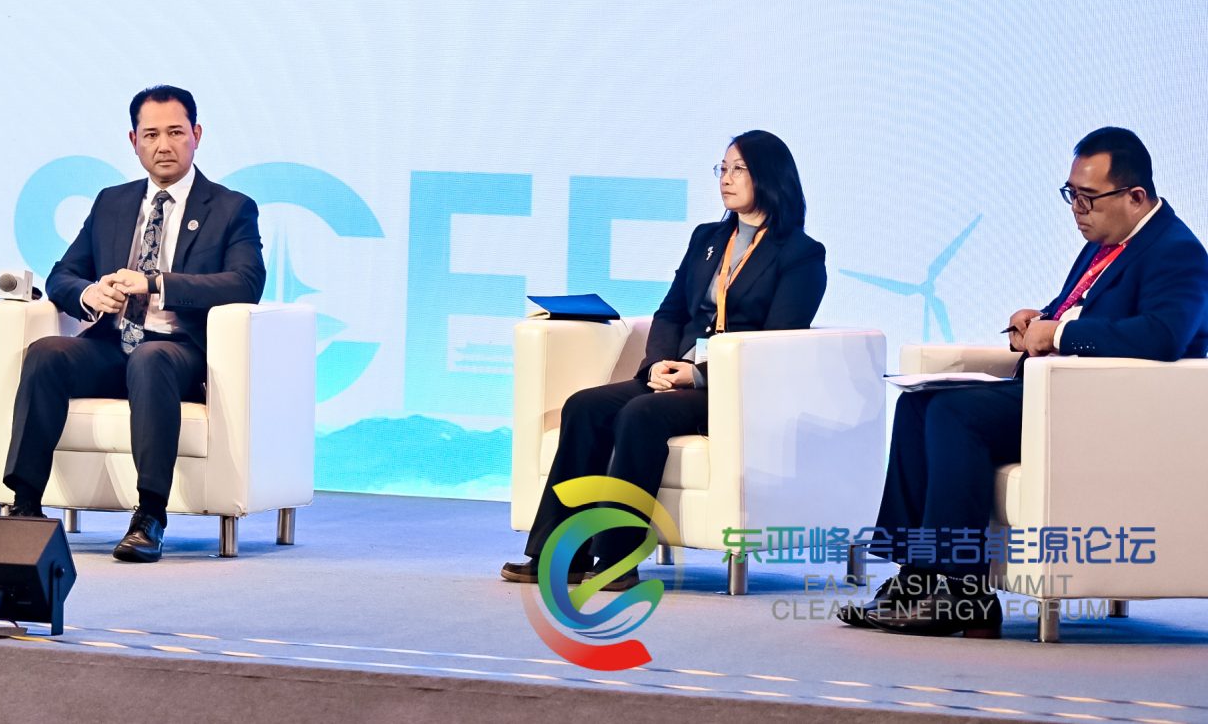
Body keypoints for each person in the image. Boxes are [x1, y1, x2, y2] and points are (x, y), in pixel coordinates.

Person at [842, 126, 1208, 636]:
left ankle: (962, 592)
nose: (1077, 209)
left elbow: (1163, 336)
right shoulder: (1105, 243)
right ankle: (917, 577)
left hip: (1106, 409)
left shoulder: (1176, 251)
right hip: (1058, 394)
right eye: (1070, 195)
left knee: (954, 414)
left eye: (1088, 197)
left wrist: (1058, 333)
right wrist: (1037, 323)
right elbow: (1080, 312)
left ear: (1135, 196)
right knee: (919, 405)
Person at [504, 130, 824, 587]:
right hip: (673, 374)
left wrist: (697, 374)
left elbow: (775, 340)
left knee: (641, 413)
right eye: (722, 169)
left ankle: (617, 557)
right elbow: (671, 311)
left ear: (770, 177)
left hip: (733, 388)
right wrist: (657, 363)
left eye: (739, 169)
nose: (726, 179)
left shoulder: (800, 254)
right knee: (584, 405)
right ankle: (561, 553)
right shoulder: (708, 238)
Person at [1, 85, 265, 563]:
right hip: (111, 344)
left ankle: (149, 517)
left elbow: (245, 282)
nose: (164, 145)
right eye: (151, 135)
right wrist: (89, 293)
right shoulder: (112, 202)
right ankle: (24, 506)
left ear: (197, 135)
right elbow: (63, 274)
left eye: (175, 133)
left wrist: (156, 283)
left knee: (151, 358)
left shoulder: (231, 208)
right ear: (134, 141)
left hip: (179, 352)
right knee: (46, 354)